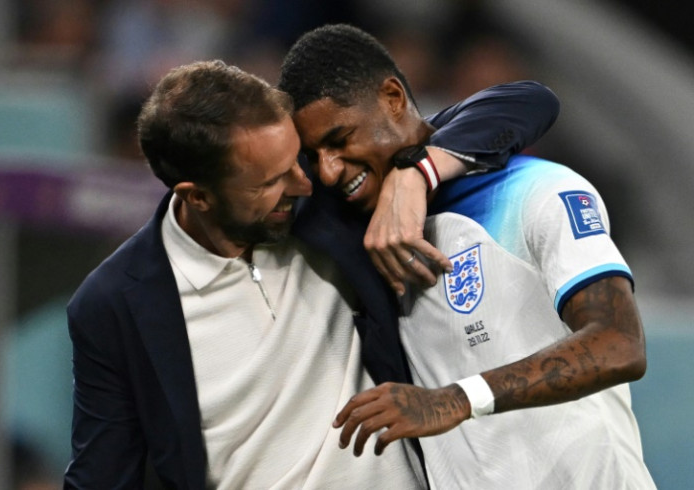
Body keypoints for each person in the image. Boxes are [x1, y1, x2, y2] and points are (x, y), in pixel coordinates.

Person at [64, 52, 559, 487]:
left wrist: (415, 173)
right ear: (198, 196)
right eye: (272, 181)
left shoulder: (326, 186)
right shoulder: (114, 304)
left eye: (294, 162)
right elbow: (103, 475)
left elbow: (525, 102)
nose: (307, 182)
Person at [279, 24, 655, 489]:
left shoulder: (538, 191)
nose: (329, 171)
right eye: (315, 156)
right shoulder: (347, 227)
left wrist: (456, 399)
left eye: (340, 140)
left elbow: (619, 343)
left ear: (393, 98)